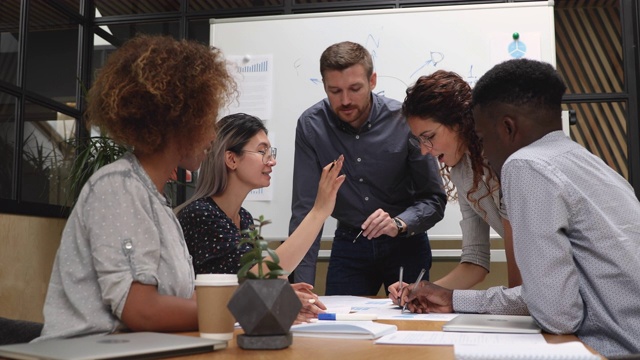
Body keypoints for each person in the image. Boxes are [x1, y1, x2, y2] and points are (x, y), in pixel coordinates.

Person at [393, 58, 640, 357]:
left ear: (504, 128)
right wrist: (439, 295)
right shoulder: (581, 159)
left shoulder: (523, 165)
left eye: (481, 137)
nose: (423, 151)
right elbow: (488, 267)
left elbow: (554, 312)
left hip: (614, 345)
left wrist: (458, 300)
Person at [35, 35, 237, 340]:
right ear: (181, 119)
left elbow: (180, 303)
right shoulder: (117, 187)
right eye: (209, 119)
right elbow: (141, 310)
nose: (212, 135)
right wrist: (239, 312)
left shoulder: (153, 199)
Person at [289, 41, 447, 296]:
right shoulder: (311, 126)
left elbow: (434, 199)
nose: (345, 100)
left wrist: (399, 223)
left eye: (355, 88)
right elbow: (306, 211)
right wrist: (299, 288)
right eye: (335, 91)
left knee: (409, 325)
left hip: (405, 242)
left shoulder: (404, 121)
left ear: (372, 80)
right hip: (350, 243)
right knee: (340, 328)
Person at [175, 113, 346, 322]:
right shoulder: (200, 215)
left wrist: (282, 294)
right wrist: (318, 213)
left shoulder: (243, 218)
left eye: (270, 152)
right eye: (261, 151)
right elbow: (265, 273)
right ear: (231, 159)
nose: (271, 161)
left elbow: (264, 280)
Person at [388, 70, 522, 293]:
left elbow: (519, 280)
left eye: (429, 137)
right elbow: (475, 261)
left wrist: (516, 312)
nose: (423, 150)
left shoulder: (507, 160)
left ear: (460, 122)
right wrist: (422, 291)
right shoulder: (461, 170)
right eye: (419, 140)